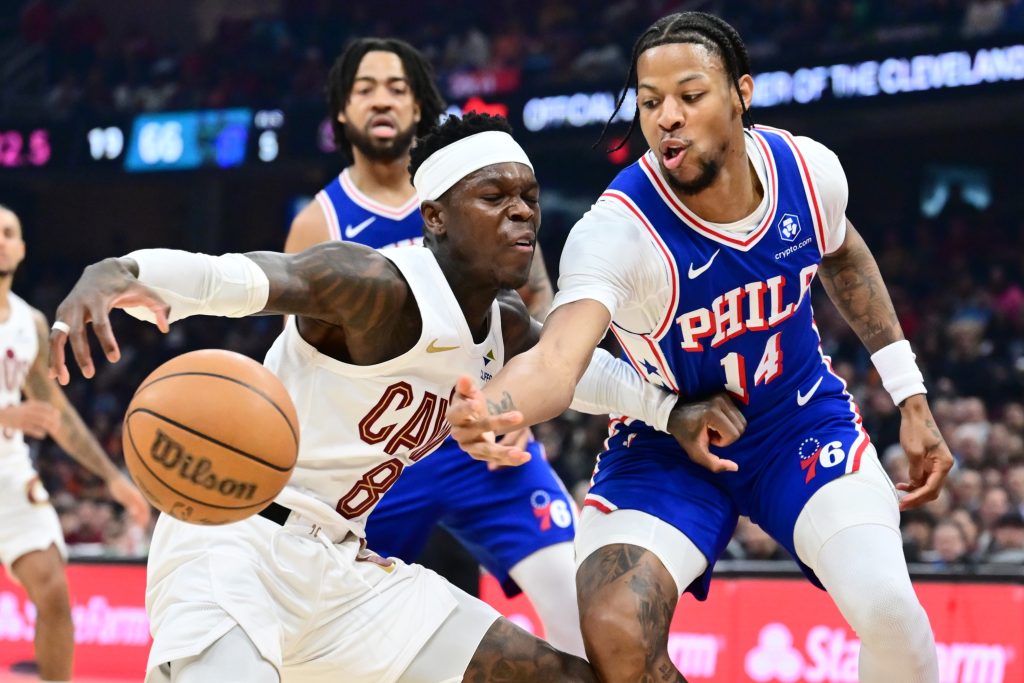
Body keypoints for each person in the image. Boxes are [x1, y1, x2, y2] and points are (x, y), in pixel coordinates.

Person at [48, 114, 736, 683]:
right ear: (435, 216)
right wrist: (121, 271)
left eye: (527, 195)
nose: (522, 210)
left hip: (345, 569)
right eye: (494, 197)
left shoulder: (503, 324)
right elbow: (246, 277)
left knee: (564, 676)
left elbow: (580, 373)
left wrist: (671, 412)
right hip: (234, 547)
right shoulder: (375, 284)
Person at [446, 13, 953, 683]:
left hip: (795, 421)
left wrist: (908, 392)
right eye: (651, 102)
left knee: (890, 608)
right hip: (664, 445)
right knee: (614, 630)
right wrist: (498, 405)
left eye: (690, 95)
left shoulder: (808, 171)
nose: (667, 118)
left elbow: (844, 253)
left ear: (741, 92)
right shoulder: (618, 230)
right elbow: (556, 357)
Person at [284, 38, 583, 653]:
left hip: (481, 446)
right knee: (352, 648)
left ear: (421, 106)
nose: (382, 100)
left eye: (398, 87)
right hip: (379, 460)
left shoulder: (485, 191)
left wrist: (517, 397)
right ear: (342, 112)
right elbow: (295, 364)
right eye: (365, 89)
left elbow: (540, 306)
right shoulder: (322, 221)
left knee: (580, 604)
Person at [0, 205, 150, 683]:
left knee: (54, 594)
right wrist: (6, 414)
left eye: (8, 232)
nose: (0, 239)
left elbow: (57, 414)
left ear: (22, 249)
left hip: (8, 472)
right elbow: (19, 412)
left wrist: (113, 480)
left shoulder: (30, 323)